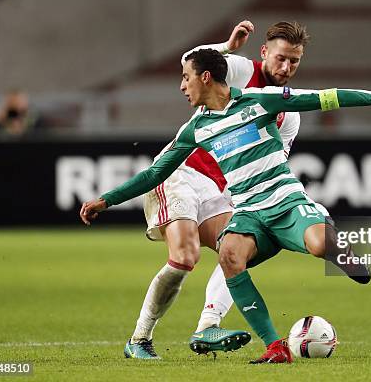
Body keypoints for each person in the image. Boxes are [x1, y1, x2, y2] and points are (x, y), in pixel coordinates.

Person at [80, 48, 371, 363]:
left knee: (320, 244)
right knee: (229, 255)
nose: (182, 86)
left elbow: (325, 98)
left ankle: (340, 249)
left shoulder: (261, 101)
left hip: (285, 201)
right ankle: (274, 346)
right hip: (248, 212)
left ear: (205, 78)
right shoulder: (196, 129)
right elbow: (156, 172)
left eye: (186, 78)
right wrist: (106, 200)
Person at [119, 20, 315, 359]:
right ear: (265, 52)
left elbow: (267, 164)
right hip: (180, 172)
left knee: (236, 249)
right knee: (185, 256)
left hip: (217, 186)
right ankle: (139, 339)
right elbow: (192, 59)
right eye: (280, 58)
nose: (285, 68)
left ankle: (208, 326)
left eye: (294, 61)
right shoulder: (239, 70)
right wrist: (227, 46)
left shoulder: (288, 113)